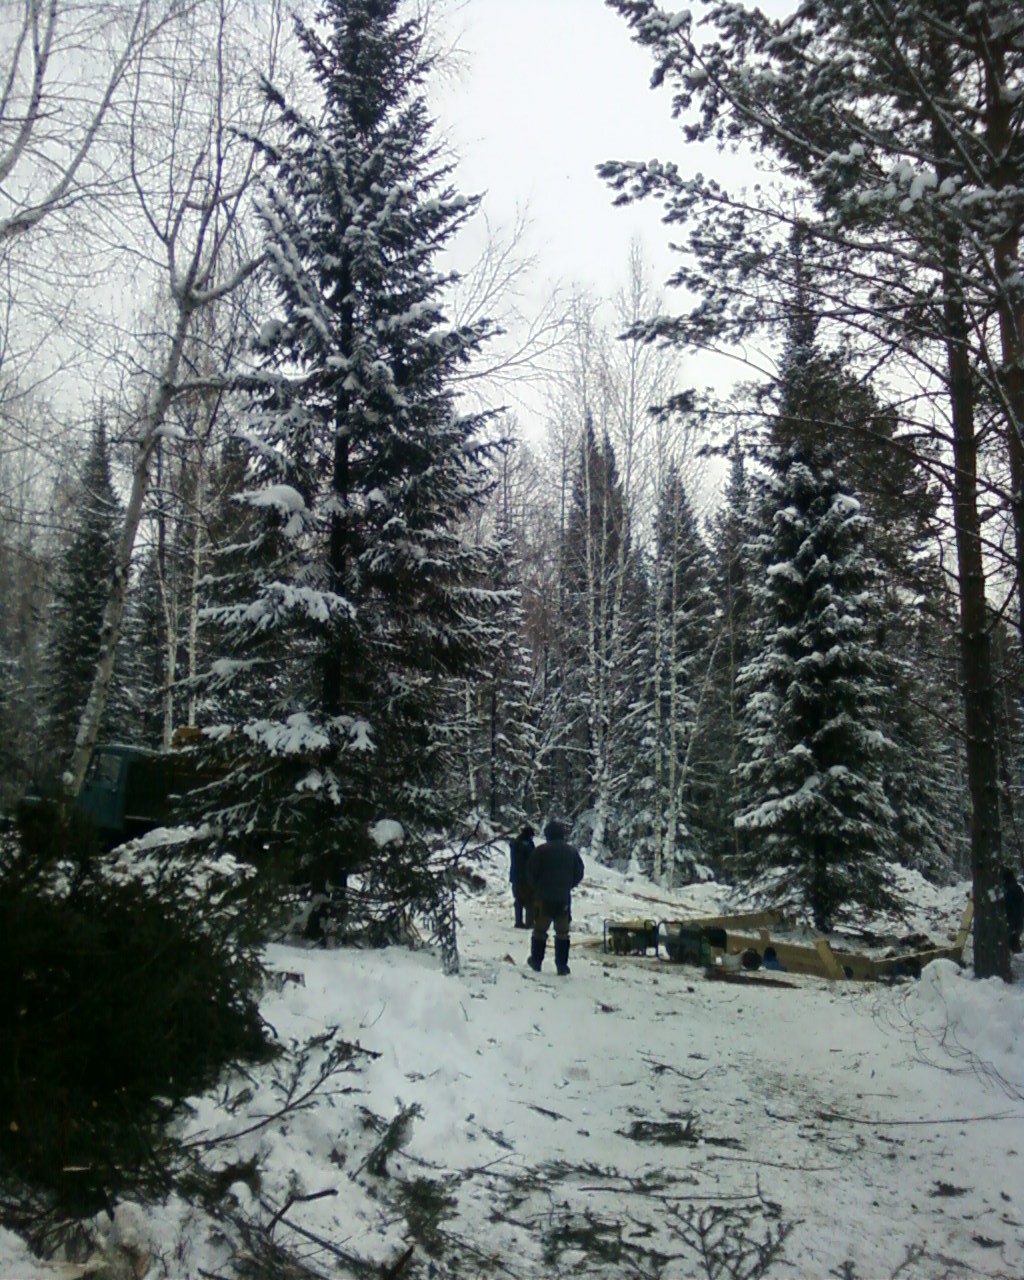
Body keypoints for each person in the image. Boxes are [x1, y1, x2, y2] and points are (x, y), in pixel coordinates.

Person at [526, 820, 584, 976]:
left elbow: (530, 872)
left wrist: (537, 887)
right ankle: (562, 965)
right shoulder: (571, 852)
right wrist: (567, 885)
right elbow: (579, 873)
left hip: (544, 898)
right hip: (563, 899)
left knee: (540, 931)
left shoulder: (541, 851)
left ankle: (536, 961)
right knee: (562, 933)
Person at [509, 825, 535, 929]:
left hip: (515, 876)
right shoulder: (528, 845)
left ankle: (518, 921)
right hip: (527, 877)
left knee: (518, 900)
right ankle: (529, 922)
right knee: (530, 901)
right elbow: (532, 860)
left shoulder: (515, 843)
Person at [1003, 865, 1024, 953]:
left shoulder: (1006, 890)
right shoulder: (1018, 888)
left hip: (1009, 922)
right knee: (1014, 943)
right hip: (1018, 922)